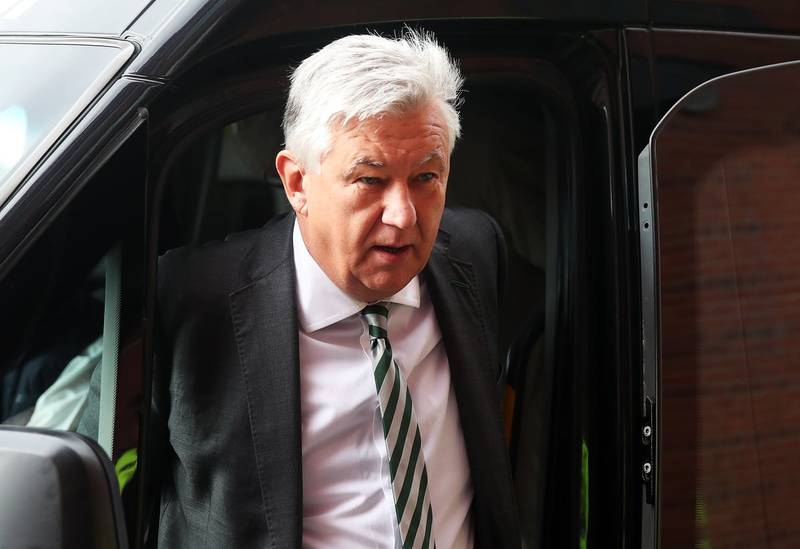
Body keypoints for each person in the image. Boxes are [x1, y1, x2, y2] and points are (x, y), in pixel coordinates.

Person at [154, 30, 520, 548]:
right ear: (297, 183)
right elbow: (103, 479)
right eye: (371, 180)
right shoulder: (190, 301)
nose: (403, 216)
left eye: (426, 177)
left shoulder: (475, 252)